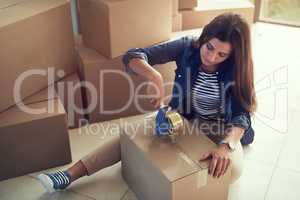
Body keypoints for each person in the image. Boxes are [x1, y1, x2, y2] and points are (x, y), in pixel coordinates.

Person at [37, 13, 257, 193]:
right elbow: (134, 55)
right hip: (185, 115)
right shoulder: (187, 47)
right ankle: (68, 175)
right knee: (135, 133)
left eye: (222, 55)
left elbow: (241, 114)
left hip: (220, 126)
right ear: (204, 37)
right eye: (209, 47)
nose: (211, 57)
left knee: (232, 170)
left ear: (232, 55)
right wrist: (155, 77)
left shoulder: (237, 68)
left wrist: (226, 146)